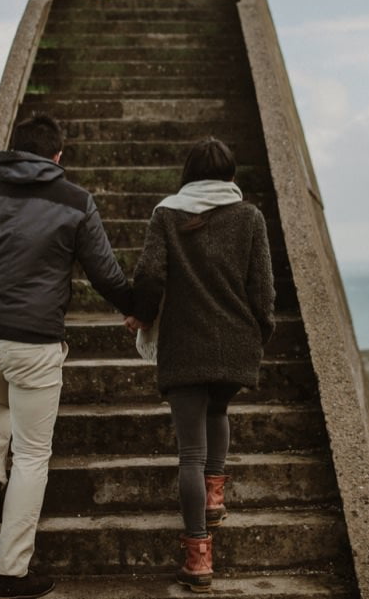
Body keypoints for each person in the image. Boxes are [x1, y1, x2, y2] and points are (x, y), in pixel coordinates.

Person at [0, 113, 136, 599]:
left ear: (15, 150)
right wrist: (140, 310)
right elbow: (105, 275)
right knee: (34, 455)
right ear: (57, 157)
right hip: (33, 343)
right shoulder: (75, 203)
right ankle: (12, 572)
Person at [128, 137, 275, 593]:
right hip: (235, 344)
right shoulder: (249, 216)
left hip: (185, 345)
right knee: (219, 411)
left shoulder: (167, 213)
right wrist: (259, 334)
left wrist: (142, 315)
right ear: (230, 175)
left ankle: (198, 558)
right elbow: (263, 290)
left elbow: (150, 276)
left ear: (189, 173)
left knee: (188, 454)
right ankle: (215, 496)